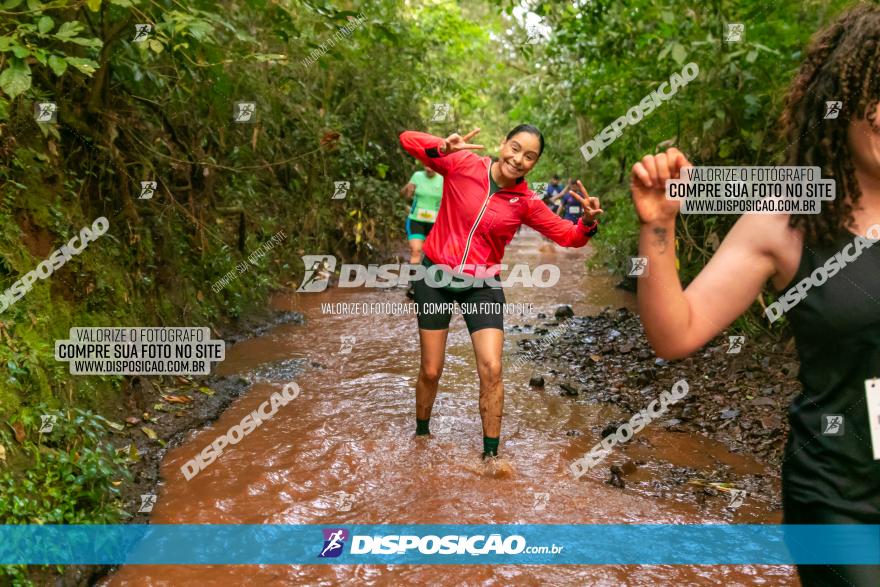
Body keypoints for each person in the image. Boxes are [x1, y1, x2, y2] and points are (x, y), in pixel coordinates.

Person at [629, 5, 880, 585]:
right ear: (840, 103)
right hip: (840, 500)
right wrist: (657, 226)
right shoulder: (785, 215)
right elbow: (675, 333)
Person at [399, 125, 603, 459]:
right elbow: (407, 139)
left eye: (529, 156)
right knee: (431, 369)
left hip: (482, 284)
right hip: (434, 277)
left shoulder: (526, 202)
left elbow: (568, 236)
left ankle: (490, 457)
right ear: (502, 144)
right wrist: (442, 147)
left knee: (492, 368)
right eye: (515, 148)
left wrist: (588, 223)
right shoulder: (461, 163)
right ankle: (422, 436)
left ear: (533, 165)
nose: (518, 159)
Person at [401, 165, 444, 298]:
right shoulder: (417, 176)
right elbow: (405, 195)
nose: (429, 167)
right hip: (416, 220)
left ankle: (434, 286)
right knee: (416, 250)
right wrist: (407, 190)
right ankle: (414, 286)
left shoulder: (443, 179)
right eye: (426, 164)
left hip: (435, 222)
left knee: (434, 254)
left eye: (432, 164)